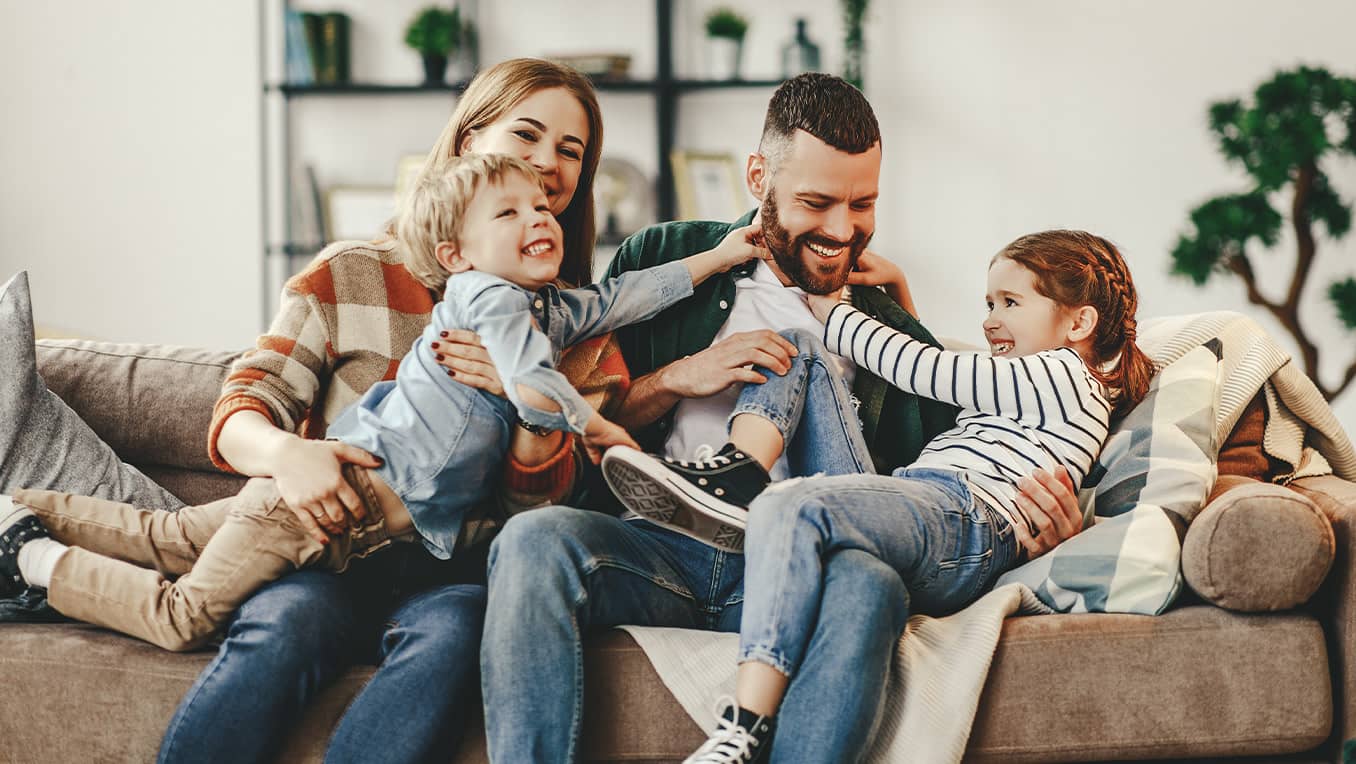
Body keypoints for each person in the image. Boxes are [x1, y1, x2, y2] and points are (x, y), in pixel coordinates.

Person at [477, 72, 1088, 764]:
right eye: (816, 202)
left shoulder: (882, 320)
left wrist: (1044, 527)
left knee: (871, 583)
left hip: (799, 565)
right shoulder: (665, 256)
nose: (841, 230)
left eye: (863, 205)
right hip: (661, 548)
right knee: (533, 542)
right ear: (758, 176)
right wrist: (677, 379)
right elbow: (584, 420)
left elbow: (944, 480)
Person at [0, 153, 766, 653]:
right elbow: (533, 383)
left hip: (350, 529)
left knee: (162, 533)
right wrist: (606, 433)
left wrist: (720, 257)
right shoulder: (487, 297)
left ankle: (14, 506)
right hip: (321, 503)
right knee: (183, 617)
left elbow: (626, 295)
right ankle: (33, 558)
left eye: (544, 207)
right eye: (511, 213)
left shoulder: (549, 309)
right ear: (455, 257)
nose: (540, 218)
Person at [167, 58, 608, 764]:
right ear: (468, 141)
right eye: (526, 135)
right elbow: (246, 406)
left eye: (570, 151)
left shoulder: (570, 324)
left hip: (453, 573)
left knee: (453, 639)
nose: (547, 163)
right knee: (281, 629)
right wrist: (290, 455)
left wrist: (522, 393)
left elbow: (540, 514)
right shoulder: (352, 270)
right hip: (329, 556)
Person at [651, 229, 1155, 762]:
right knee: (798, 350)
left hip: (966, 515)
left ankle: (744, 724)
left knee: (789, 503)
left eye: (1011, 302)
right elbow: (943, 381)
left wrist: (833, 307)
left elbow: (926, 371)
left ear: (1079, 322)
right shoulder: (1026, 388)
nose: (989, 320)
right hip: (921, 505)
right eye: (988, 303)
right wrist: (898, 287)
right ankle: (736, 476)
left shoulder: (1064, 375)